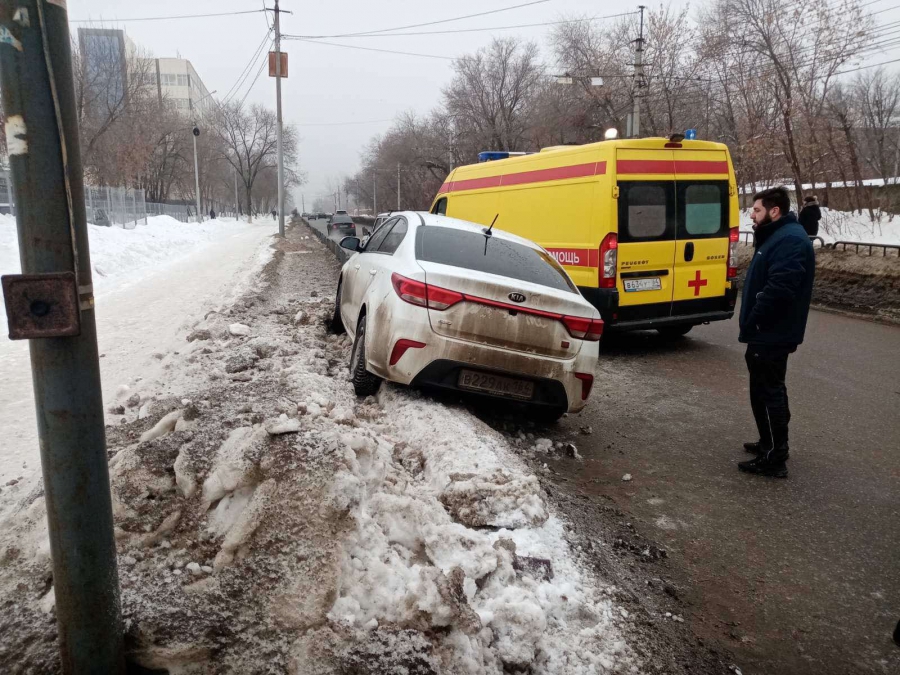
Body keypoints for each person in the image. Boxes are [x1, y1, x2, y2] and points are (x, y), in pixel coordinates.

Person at [738, 187, 815, 478]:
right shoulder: (777, 235)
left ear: (774, 211)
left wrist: (755, 319)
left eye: (757, 210)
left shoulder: (789, 239)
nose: (752, 216)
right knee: (762, 389)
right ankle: (768, 442)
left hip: (772, 331)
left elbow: (780, 288)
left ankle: (775, 457)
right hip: (766, 331)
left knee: (770, 391)